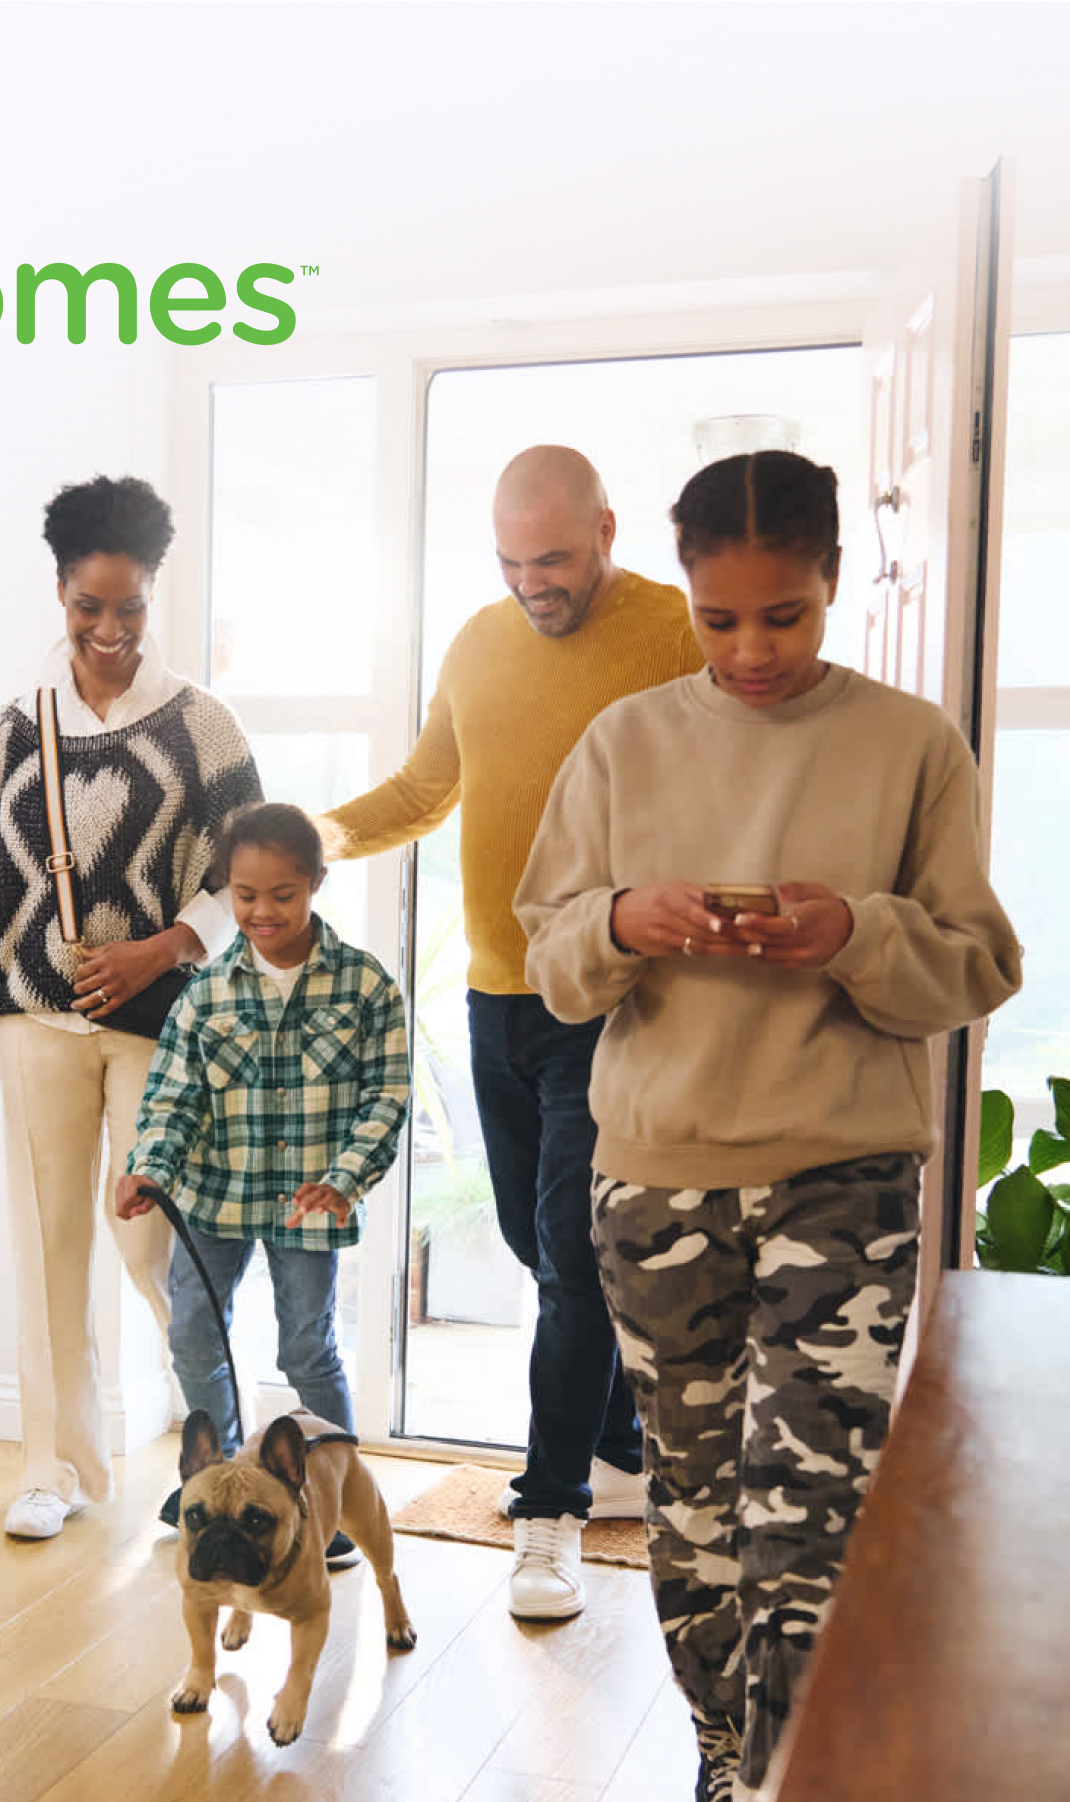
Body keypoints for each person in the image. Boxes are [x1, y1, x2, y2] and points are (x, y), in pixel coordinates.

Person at [517, 449, 1021, 1802]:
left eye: (782, 615)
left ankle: (794, 1780)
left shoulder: (909, 744)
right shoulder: (622, 743)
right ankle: (731, 1766)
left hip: (840, 1180)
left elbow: (975, 965)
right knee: (692, 1516)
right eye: (717, 618)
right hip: (653, 1183)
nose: (749, 648)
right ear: (682, 593)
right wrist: (624, 918)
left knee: (810, 1521)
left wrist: (853, 930)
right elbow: (551, 959)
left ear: (832, 583)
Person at [320, 445, 698, 1620]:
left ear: (604, 530)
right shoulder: (478, 641)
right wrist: (301, 840)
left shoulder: (673, 632)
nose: (532, 582)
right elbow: (423, 788)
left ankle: (549, 1514)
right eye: (510, 560)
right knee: (539, 1248)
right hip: (494, 995)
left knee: (574, 1257)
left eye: (553, 558)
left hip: (611, 997)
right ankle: (626, 1455)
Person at [0, 474, 264, 1541]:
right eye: (89, 606)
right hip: (30, 1022)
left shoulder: (201, 727)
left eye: (129, 607)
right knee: (44, 1251)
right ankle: (55, 1467)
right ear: (58, 591)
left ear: (152, 591)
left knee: (154, 1247)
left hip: (156, 1023)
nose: (111, 629)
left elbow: (248, 877)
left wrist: (157, 949)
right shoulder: (10, 732)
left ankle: (222, 1459)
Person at [112, 804, 409, 1553]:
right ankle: (218, 1490)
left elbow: (387, 1095)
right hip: (213, 1196)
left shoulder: (367, 987)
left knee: (307, 1347)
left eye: (282, 893)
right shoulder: (205, 994)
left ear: (316, 882)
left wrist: (344, 1177)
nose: (262, 910)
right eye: (245, 895)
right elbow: (172, 1098)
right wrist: (150, 1168)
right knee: (192, 1334)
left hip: (311, 1206)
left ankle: (330, 1503)